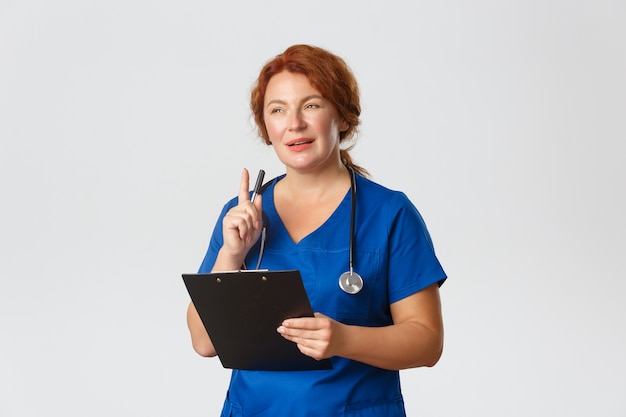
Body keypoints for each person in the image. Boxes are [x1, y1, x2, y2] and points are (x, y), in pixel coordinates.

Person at [186, 44, 447, 416]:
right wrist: (231, 254)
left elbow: (427, 342)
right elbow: (203, 341)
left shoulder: (389, 214)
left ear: (342, 116)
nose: (294, 123)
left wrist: (344, 339)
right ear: (266, 128)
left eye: (311, 105)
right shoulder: (241, 215)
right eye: (278, 110)